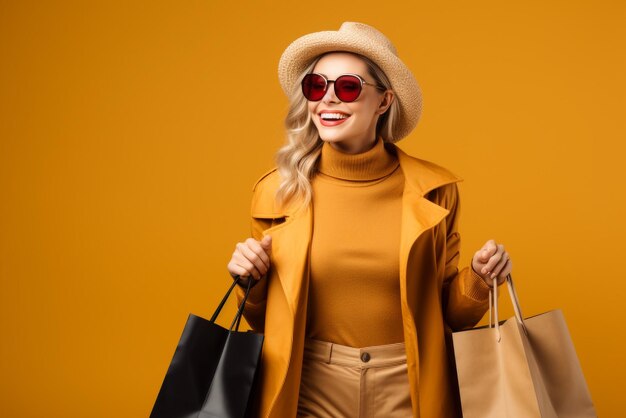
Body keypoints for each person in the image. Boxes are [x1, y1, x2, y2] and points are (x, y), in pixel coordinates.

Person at [226, 22, 512, 418]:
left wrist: (480, 280)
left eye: (347, 87)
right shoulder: (277, 191)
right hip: (307, 385)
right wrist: (250, 283)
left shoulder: (435, 190)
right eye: (316, 86)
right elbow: (262, 322)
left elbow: (446, 316)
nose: (327, 100)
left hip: (408, 385)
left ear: (383, 102)